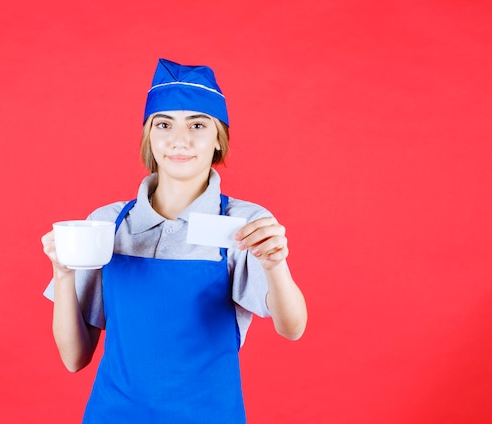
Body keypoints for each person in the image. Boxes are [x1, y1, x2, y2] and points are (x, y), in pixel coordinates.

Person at [41, 58, 307, 423]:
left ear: (218, 139)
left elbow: (292, 327)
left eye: (198, 124)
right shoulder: (106, 225)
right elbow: (74, 359)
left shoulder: (244, 223)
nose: (179, 140)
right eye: (163, 124)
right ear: (150, 136)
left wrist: (276, 266)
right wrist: (63, 273)